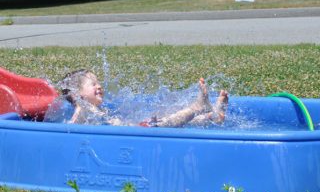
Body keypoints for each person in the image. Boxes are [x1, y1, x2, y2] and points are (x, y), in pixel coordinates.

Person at [46, 69, 228, 127]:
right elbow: (72, 127)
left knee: (169, 119)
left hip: (136, 127)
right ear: (77, 94)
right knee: (167, 123)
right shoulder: (82, 108)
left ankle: (212, 116)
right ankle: (198, 107)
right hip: (138, 131)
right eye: (93, 84)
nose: (99, 86)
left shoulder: (99, 109)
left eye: (98, 82)